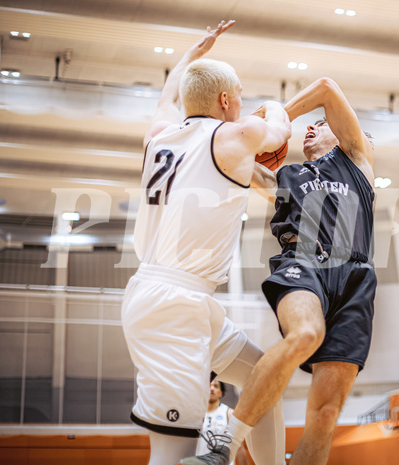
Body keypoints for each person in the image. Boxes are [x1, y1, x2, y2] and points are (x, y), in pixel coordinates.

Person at [121, 20, 290, 465]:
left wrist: (190, 54)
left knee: (263, 379)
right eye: (240, 96)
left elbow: (167, 97)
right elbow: (280, 131)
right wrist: (272, 105)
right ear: (226, 100)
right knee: (173, 454)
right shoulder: (235, 135)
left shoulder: (158, 135)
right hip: (171, 307)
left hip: (183, 301)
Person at [185, 77, 377, 465]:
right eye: (309, 125)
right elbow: (241, 171)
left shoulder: (356, 159)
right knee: (306, 332)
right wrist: (240, 143)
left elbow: (325, 88)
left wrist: (278, 120)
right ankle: (225, 444)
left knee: (324, 417)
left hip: (354, 276)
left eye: (319, 125)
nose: (311, 127)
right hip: (302, 262)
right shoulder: (288, 178)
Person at [196, 380, 249, 465]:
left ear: (221, 393)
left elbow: (239, 447)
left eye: (216, 386)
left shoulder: (229, 413)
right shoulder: (196, 414)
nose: (212, 388)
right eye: (209, 386)